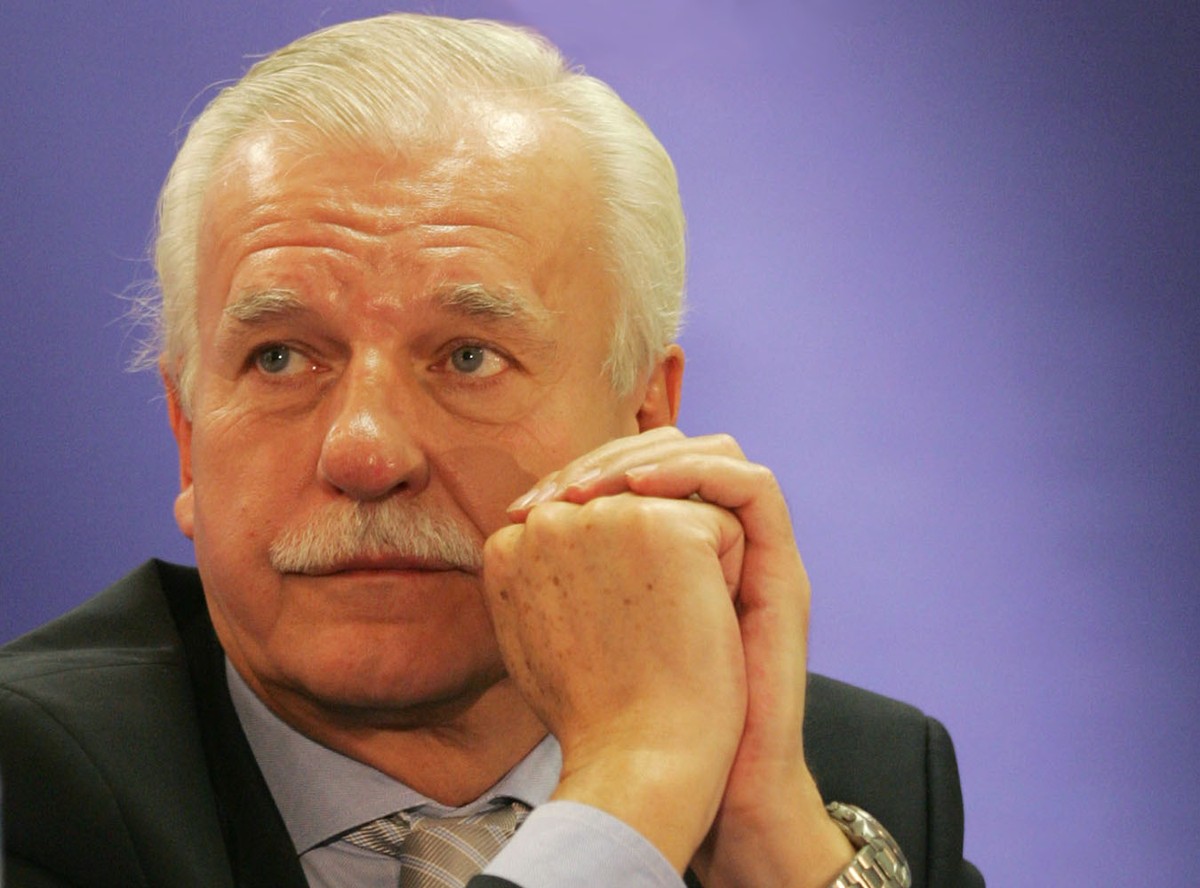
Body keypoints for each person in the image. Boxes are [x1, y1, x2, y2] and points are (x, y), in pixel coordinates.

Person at [0, 13, 983, 888]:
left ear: (644, 423)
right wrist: (635, 785)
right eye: (281, 357)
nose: (365, 453)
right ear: (186, 439)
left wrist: (775, 853)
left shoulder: (848, 776)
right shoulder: (28, 783)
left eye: (468, 357)